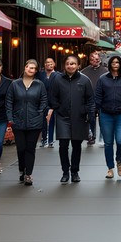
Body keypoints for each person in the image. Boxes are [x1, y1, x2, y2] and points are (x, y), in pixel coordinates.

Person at [49, 55, 95, 183]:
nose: (71, 66)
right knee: (63, 145)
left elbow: (90, 99)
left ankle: (75, 171)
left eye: (73, 63)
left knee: (76, 145)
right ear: (64, 65)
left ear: (78, 65)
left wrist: (87, 112)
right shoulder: (57, 79)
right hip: (63, 117)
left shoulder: (85, 80)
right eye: (68, 63)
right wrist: (57, 107)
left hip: (79, 118)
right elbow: (52, 97)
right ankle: (65, 171)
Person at [94, 55, 121, 179]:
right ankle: (110, 168)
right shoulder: (103, 79)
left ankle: (119, 160)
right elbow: (98, 97)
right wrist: (95, 112)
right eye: (113, 62)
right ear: (109, 64)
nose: (115, 64)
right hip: (106, 115)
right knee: (108, 143)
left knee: (120, 141)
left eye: (117, 62)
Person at [6, 59, 49, 186]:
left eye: (33, 68)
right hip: (17, 121)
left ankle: (28, 174)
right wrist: (10, 117)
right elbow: (9, 101)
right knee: (21, 148)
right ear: (25, 68)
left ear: (36, 71)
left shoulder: (39, 84)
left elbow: (44, 100)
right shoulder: (15, 84)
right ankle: (22, 169)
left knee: (30, 148)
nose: (30, 70)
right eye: (29, 67)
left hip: (34, 122)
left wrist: (40, 112)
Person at [81, 51, 105, 145]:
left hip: (102, 100)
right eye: (92, 59)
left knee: (102, 119)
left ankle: (103, 138)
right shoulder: (84, 71)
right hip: (89, 100)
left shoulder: (105, 71)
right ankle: (92, 136)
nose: (95, 60)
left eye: (97, 58)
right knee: (91, 119)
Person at [39, 57, 58, 147]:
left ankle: (50, 140)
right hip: (42, 101)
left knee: (51, 121)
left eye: (51, 62)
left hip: (53, 102)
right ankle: (44, 139)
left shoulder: (58, 75)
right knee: (43, 121)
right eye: (46, 62)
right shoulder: (40, 75)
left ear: (54, 64)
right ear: (44, 64)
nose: (48, 64)